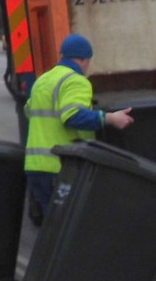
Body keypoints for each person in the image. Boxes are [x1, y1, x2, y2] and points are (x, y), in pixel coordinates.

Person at [24, 33, 134, 219]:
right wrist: (110, 118)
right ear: (84, 59)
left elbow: (29, 111)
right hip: (59, 167)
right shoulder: (75, 81)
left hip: (36, 165)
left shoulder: (43, 80)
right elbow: (72, 116)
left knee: (52, 228)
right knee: (67, 225)